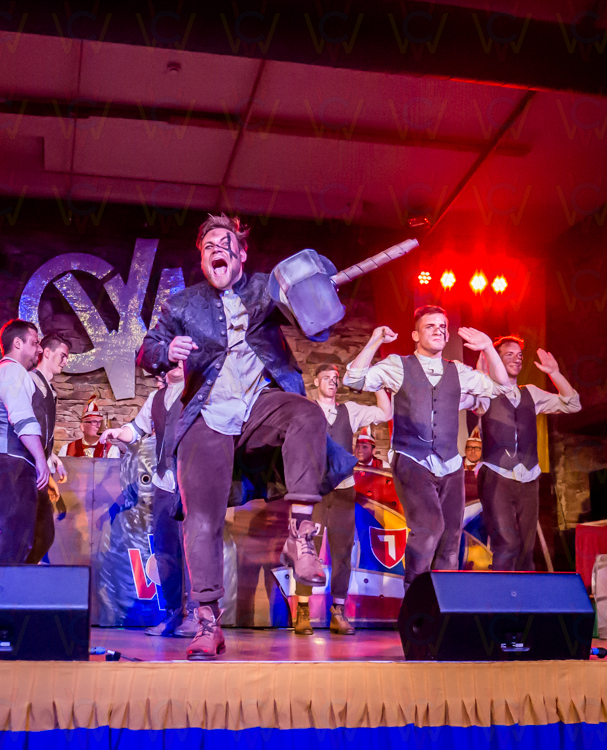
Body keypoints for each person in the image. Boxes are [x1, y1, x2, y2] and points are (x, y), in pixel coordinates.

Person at [137, 214, 355, 660]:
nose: (216, 249)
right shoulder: (182, 305)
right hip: (208, 415)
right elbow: (147, 349)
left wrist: (314, 291)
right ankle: (207, 623)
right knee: (201, 519)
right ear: (202, 259)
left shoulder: (264, 289)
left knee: (307, 414)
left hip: (260, 405)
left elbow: (317, 325)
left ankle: (300, 538)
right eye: (208, 247)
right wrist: (166, 350)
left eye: (225, 243)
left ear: (242, 254)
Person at [344, 305, 510, 588]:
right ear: (415, 335)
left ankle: (443, 601)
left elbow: (502, 387)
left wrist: (487, 348)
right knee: (429, 526)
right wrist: (374, 341)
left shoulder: (457, 371)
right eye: (430, 326)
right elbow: (353, 379)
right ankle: (415, 593)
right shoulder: (399, 365)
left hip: (450, 463)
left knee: (450, 537)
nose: (438, 331)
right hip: (412, 458)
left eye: (442, 327)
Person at [99, 363, 199, 638]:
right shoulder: (157, 398)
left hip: (193, 482)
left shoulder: (199, 389)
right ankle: (173, 613)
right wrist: (118, 432)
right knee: (166, 551)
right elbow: (136, 429)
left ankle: (197, 615)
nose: (173, 366)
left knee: (193, 550)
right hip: (164, 482)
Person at [294, 363, 391, 636]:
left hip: (343, 490)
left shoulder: (350, 410)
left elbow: (385, 413)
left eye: (335, 378)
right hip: (313, 491)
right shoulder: (306, 409)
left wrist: (377, 384)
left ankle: (338, 612)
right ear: (316, 382)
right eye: (326, 377)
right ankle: (302, 611)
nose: (332, 382)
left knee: (342, 553)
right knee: (306, 550)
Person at [472, 335, 581, 571]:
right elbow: (475, 398)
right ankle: (502, 593)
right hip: (496, 476)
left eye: (519, 355)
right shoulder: (486, 392)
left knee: (526, 549)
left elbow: (573, 404)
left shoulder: (531, 392)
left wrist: (555, 373)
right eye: (509, 355)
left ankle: (525, 594)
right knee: (506, 543)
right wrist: (482, 369)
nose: (517, 359)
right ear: (495, 359)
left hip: (529, 477)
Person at [0, 320, 50, 563]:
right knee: (16, 537)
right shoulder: (12, 371)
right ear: (17, 343)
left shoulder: (7, 372)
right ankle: (2, 585)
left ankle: (14, 583)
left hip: (8, 462)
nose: (39, 349)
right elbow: (21, 418)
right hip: (10, 463)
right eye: (34, 343)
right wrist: (40, 459)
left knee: (36, 535)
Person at [25, 333, 70, 564]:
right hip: (25, 469)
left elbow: (42, 433)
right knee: (26, 535)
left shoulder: (49, 390)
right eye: (63, 355)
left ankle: (22, 574)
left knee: (44, 535)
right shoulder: (30, 381)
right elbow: (23, 427)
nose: (65, 361)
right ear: (47, 352)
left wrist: (51, 458)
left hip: (38, 470)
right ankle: (10, 579)